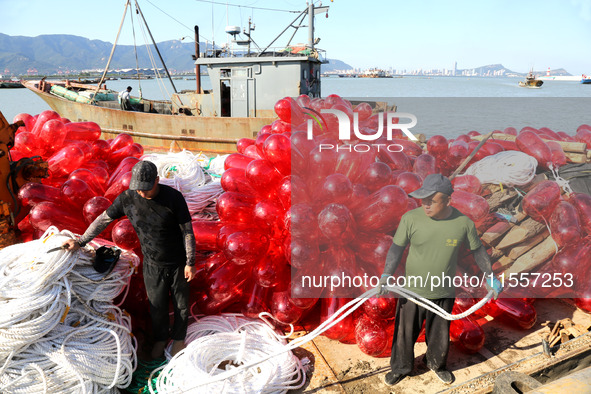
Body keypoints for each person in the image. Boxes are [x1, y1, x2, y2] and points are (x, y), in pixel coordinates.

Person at [62, 160, 197, 359]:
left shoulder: (173, 198)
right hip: (152, 263)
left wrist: (190, 262)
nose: (142, 193)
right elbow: (103, 220)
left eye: (146, 189)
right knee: (156, 305)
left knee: (181, 304)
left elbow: (187, 231)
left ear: (157, 181)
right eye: (138, 189)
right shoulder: (128, 198)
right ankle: (160, 338)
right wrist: (80, 242)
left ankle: (178, 338)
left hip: (177, 262)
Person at [377, 173, 502, 386]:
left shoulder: (463, 223)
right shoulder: (411, 219)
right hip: (412, 291)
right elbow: (396, 248)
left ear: (448, 201)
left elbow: (478, 250)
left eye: (432, 201)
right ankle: (400, 368)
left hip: (443, 291)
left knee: (439, 335)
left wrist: (490, 276)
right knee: (404, 334)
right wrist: (387, 273)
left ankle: (436, 364)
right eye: (423, 199)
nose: (425, 204)